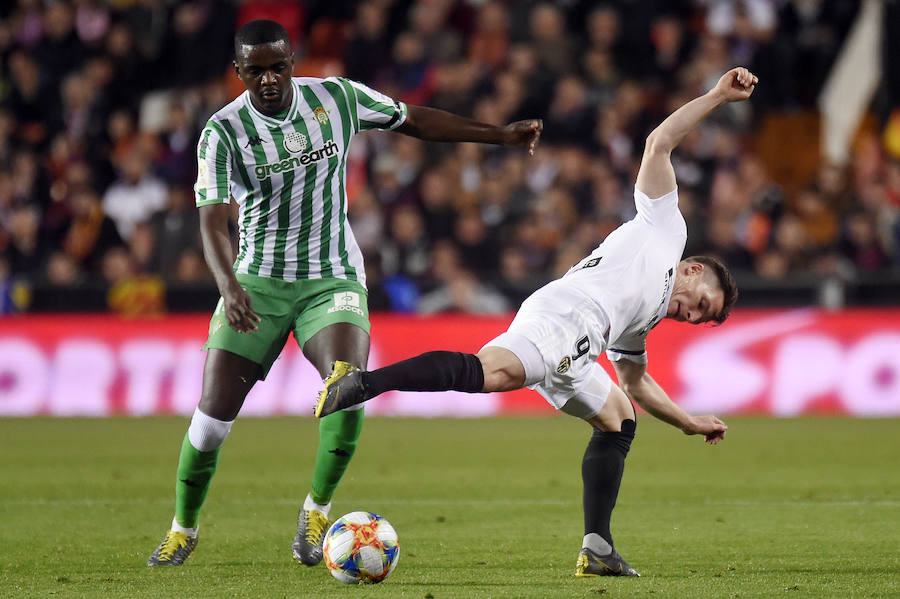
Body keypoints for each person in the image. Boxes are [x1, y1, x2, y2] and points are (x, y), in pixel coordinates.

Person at [315, 67, 756, 577]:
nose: (693, 314)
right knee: (490, 373)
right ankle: (364, 383)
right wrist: (718, 96)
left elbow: (634, 380)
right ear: (695, 270)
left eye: (702, 319)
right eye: (702, 302)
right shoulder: (666, 226)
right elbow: (659, 143)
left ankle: (597, 547)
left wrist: (689, 422)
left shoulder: (645, 320)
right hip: (568, 317)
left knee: (619, 416)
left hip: (581, 342)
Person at [147, 19, 542, 567]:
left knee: (348, 387)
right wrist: (228, 284)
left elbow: (414, 120)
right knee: (212, 422)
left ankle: (315, 510)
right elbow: (213, 222)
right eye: (254, 70)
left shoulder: (335, 97)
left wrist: (497, 135)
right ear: (238, 73)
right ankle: (182, 529)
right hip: (257, 282)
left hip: (332, 276)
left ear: (293, 61)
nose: (267, 79)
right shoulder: (222, 132)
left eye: (277, 66)